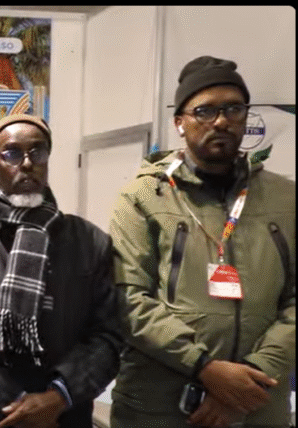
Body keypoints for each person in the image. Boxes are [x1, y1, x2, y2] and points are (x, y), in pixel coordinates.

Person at [109, 56, 295, 428]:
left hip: (258, 407)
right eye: (205, 111)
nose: (221, 121)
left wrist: (249, 382)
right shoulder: (143, 197)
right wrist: (206, 368)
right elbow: (128, 299)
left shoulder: (285, 199)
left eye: (233, 109)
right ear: (179, 122)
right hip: (161, 408)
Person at [0, 114, 122, 428]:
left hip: (62, 416)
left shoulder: (90, 241)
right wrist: (17, 407)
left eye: (37, 152)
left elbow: (107, 337)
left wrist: (57, 398)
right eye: (12, 153)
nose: (27, 163)